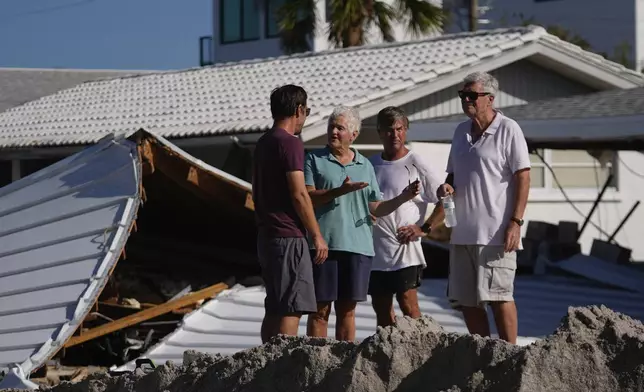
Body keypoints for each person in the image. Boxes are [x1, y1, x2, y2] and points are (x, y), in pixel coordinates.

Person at [303, 105, 420, 341]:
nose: (333, 132)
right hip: (325, 245)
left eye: (340, 128)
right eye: (331, 127)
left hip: (359, 247)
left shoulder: (365, 165)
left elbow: (375, 206)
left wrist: (403, 197)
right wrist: (339, 191)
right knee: (320, 310)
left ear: (354, 135)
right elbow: (307, 198)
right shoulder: (313, 159)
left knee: (348, 311)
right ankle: (316, 363)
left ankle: (342, 365)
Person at [436, 72, 530, 344]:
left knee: (499, 296)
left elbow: (523, 176)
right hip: (461, 231)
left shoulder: (508, 128)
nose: (466, 100)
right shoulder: (459, 131)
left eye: (471, 95)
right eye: (463, 95)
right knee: (467, 301)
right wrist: (447, 187)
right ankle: (483, 353)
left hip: (496, 233)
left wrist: (516, 222)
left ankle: (510, 354)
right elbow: (452, 176)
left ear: (490, 99)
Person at [252, 84, 329, 344]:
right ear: (298, 109)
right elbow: (299, 193)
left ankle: (265, 362)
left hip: (267, 235)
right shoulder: (290, 143)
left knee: (274, 305)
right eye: (306, 111)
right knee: (292, 306)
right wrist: (316, 235)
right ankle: (283, 367)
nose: (305, 117)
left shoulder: (264, 142)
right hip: (288, 235)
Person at [368, 106, 445, 328]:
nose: (395, 135)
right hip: (375, 251)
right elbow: (362, 202)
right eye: (390, 130)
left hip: (405, 251)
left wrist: (425, 228)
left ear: (406, 130)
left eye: (400, 129)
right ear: (380, 132)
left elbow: (447, 199)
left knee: (408, 305)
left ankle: (423, 352)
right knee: (381, 310)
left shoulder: (416, 163)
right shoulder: (369, 165)